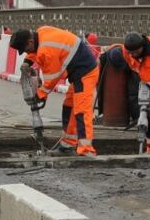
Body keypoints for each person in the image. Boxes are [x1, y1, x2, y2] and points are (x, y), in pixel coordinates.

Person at [10, 26, 99, 156]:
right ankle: (68, 144)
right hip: (78, 74)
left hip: (85, 73)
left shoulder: (46, 51)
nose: (25, 52)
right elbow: (36, 49)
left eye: (25, 50)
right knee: (69, 107)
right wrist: (28, 61)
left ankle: (86, 151)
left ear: (30, 42)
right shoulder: (41, 33)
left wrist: (40, 95)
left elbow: (52, 78)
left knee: (81, 112)